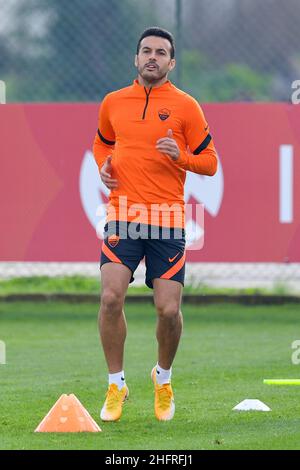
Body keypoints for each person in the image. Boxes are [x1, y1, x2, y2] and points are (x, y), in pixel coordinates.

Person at [93, 27, 218, 422]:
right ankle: (116, 384)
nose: (152, 57)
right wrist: (103, 167)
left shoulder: (186, 106)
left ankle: (162, 378)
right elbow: (102, 142)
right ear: (136, 58)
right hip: (122, 215)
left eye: (160, 52)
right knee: (111, 298)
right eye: (146, 51)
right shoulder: (113, 102)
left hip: (167, 220)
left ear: (171, 62)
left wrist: (180, 156)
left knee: (167, 310)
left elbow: (210, 162)